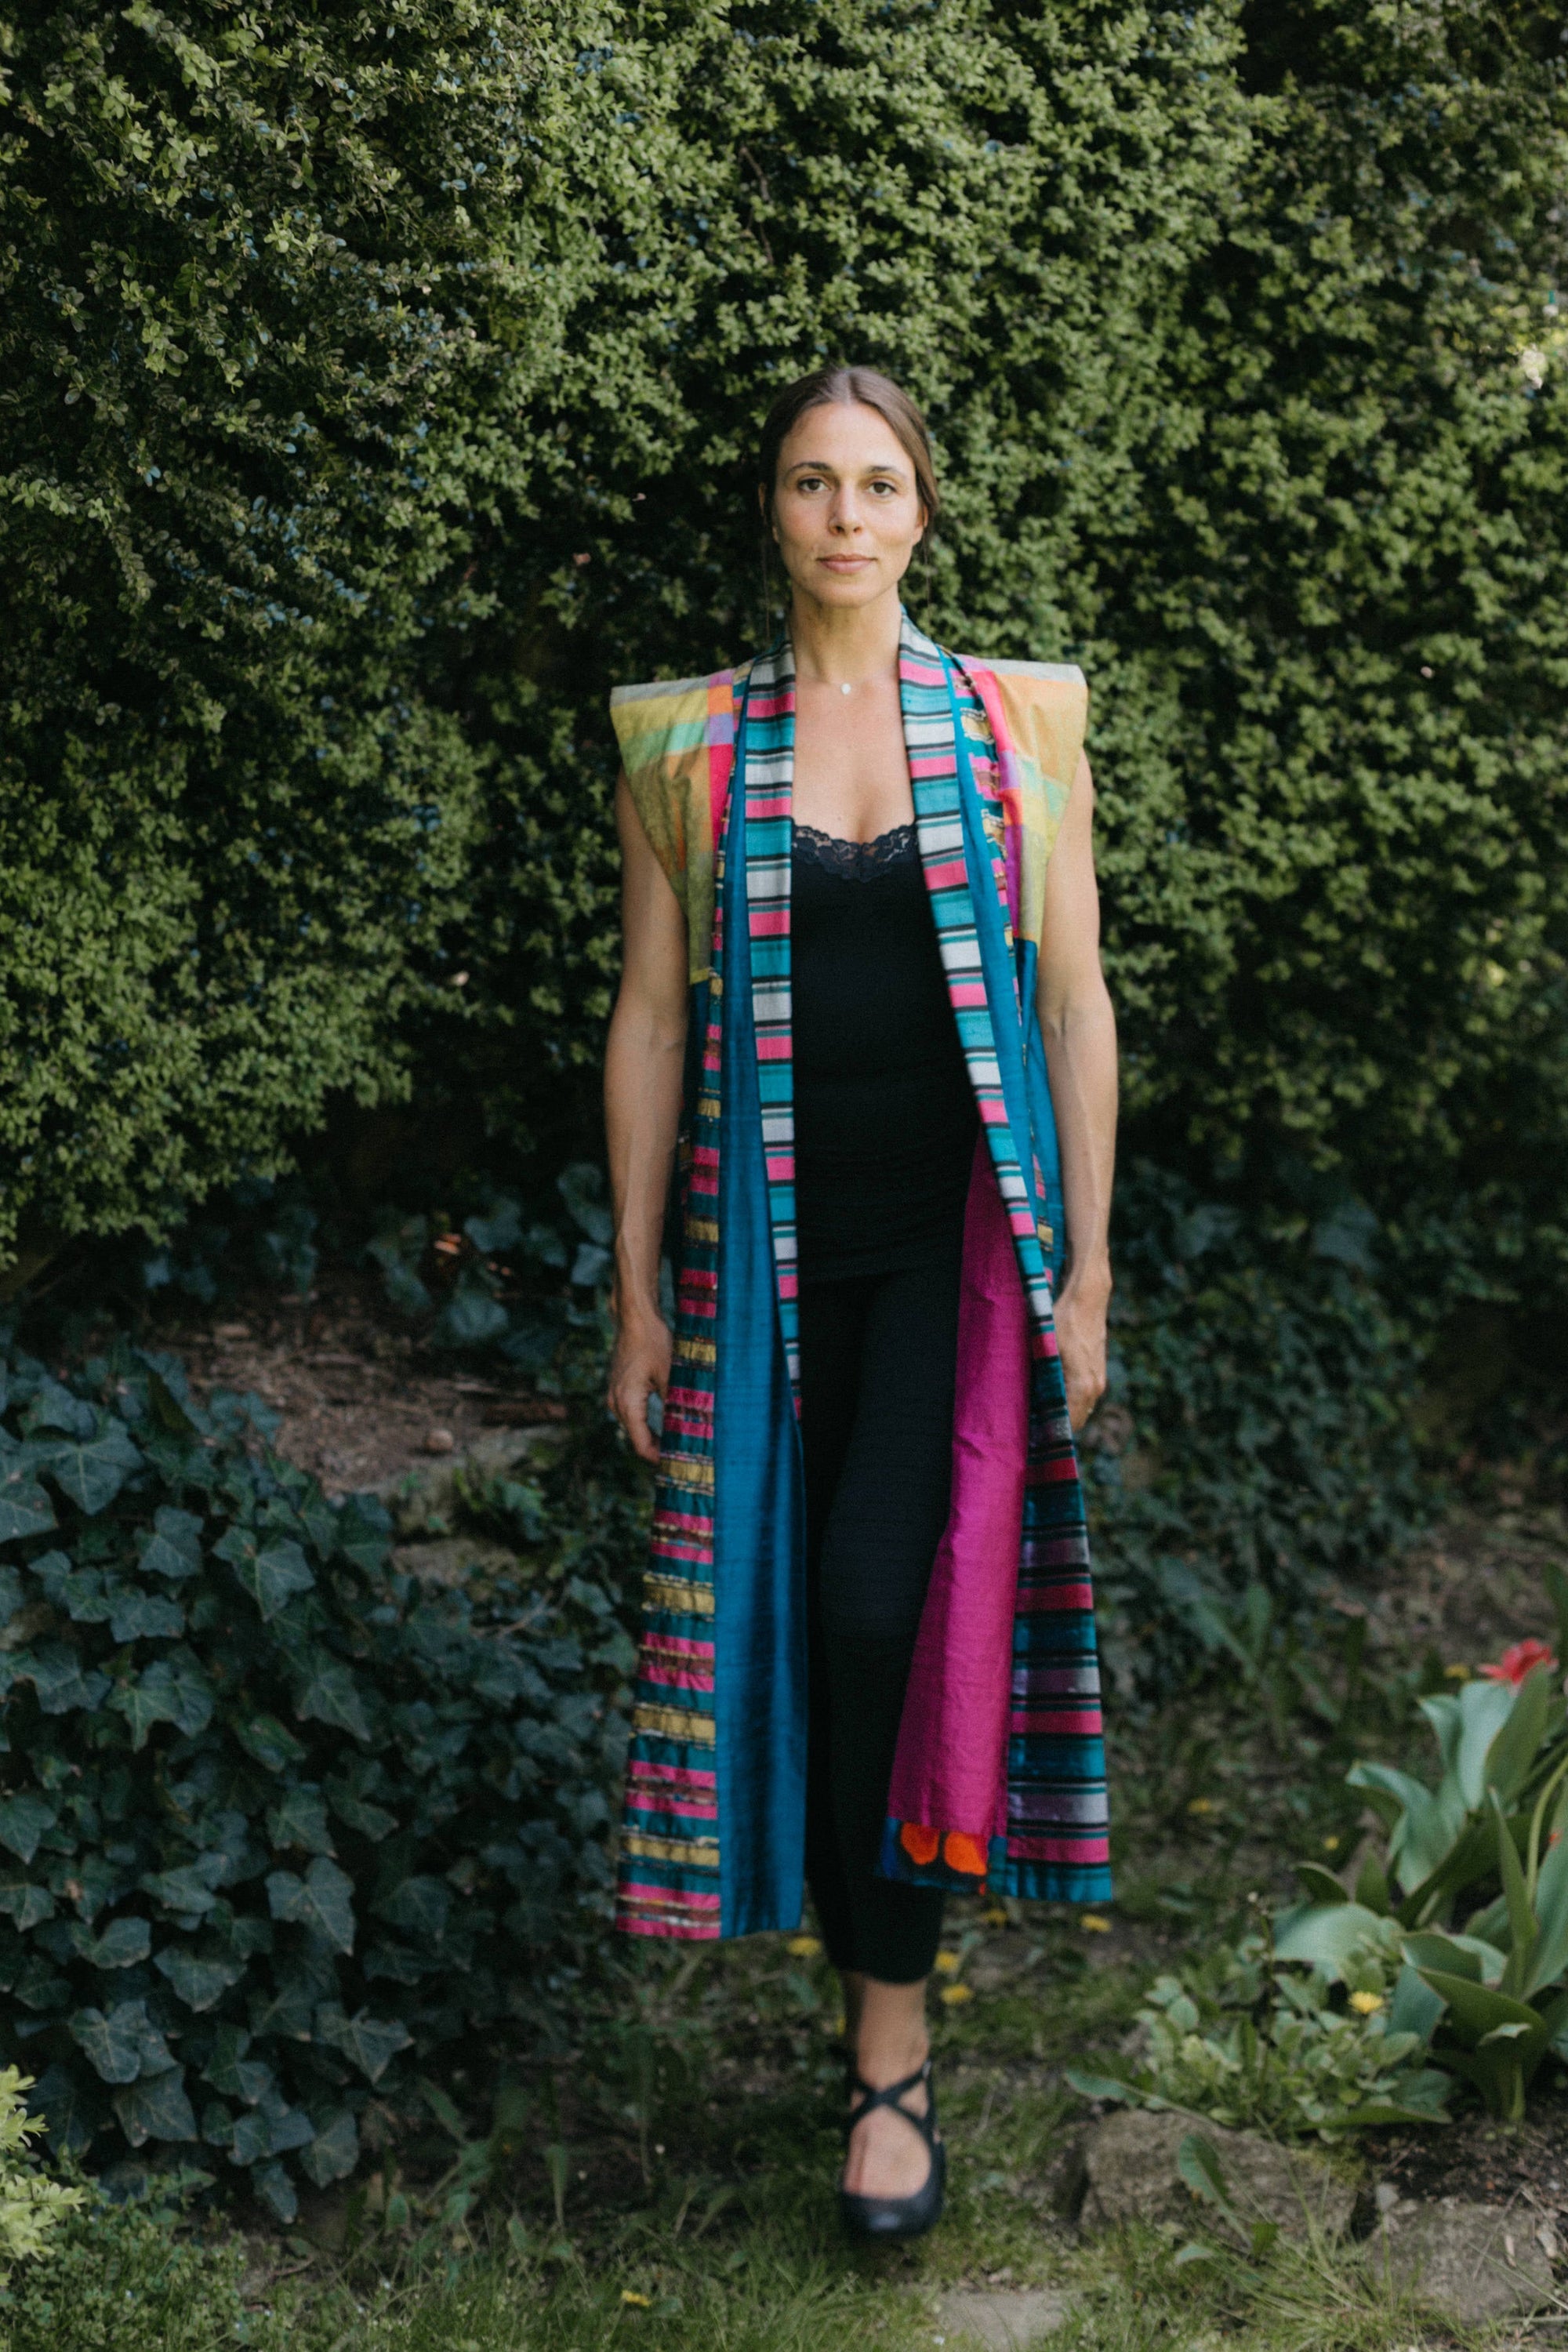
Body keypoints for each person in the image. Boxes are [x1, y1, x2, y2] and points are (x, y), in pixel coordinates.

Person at [604, 365, 1116, 2241]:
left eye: (877, 483)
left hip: (954, 1263)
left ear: (924, 509)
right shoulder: (687, 744)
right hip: (758, 1260)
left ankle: (887, 2065)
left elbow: (1073, 999)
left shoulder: (1015, 722)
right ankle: (862, 2022)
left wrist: (1092, 1265)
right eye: (811, 484)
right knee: (793, 1640)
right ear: (775, 511)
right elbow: (653, 1015)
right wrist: (634, 1288)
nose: (844, 515)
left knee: (879, 1609)